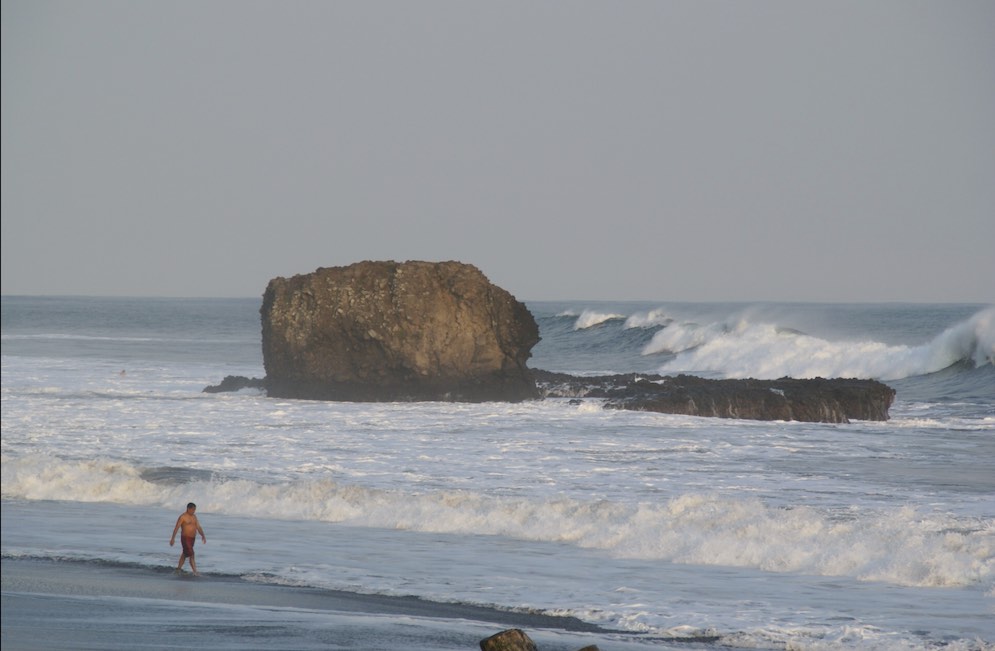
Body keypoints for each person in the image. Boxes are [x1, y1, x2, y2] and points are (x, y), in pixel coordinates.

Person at [170, 502, 206, 575]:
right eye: (193, 509)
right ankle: (195, 572)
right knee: (191, 554)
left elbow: (198, 527)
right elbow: (176, 528)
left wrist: (203, 535)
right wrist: (172, 538)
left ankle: (178, 569)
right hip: (185, 538)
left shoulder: (194, 517)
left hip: (192, 539)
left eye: (195, 510)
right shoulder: (182, 517)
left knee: (185, 553)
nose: (194, 511)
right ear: (188, 509)